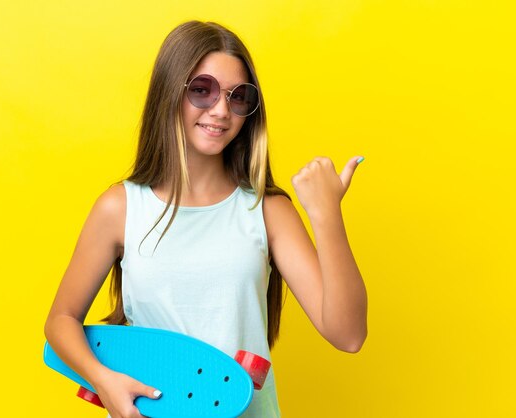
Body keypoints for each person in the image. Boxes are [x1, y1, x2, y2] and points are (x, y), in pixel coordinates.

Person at [44, 20, 368, 418]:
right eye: (202, 90)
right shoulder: (121, 207)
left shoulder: (267, 211)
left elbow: (349, 335)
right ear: (170, 93)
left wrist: (327, 214)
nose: (220, 110)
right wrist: (102, 380)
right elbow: (61, 320)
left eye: (237, 97)